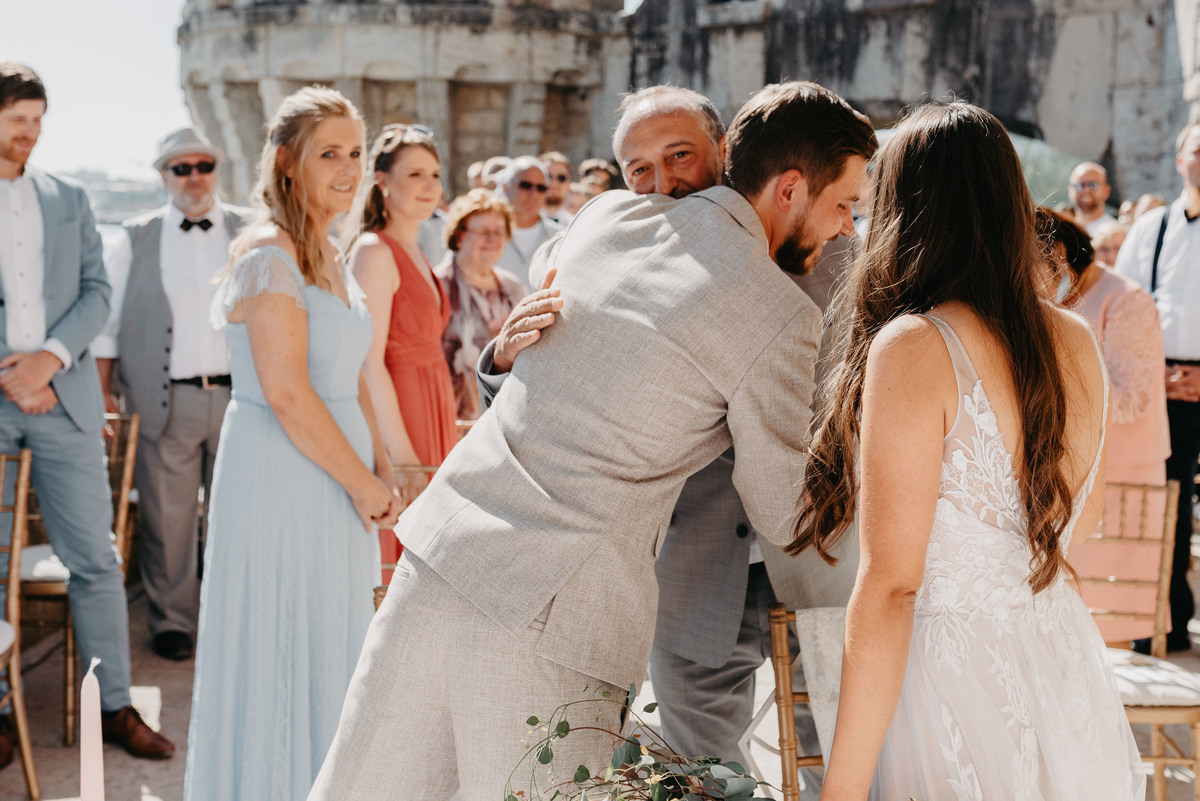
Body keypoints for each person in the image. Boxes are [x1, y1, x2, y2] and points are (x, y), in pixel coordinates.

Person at [308, 80, 875, 801]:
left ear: (726, 151)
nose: (845, 226)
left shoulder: (601, 217)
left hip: (440, 552)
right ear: (790, 189)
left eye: (681, 156)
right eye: (843, 204)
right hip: (555, 609)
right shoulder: (773, 308)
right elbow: (789, 509)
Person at [476, 84, 859, 777]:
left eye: (680, 156)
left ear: (725, 151)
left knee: (835, 761)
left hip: (817, 562)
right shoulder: (605, 250)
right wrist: (502, 362)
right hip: (689, 567)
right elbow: (556, 392)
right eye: (639, 170)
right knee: (701, 773)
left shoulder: (834, 254)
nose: (663, 183)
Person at [797, 101, 1143, 800]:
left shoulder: (914, 345)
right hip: (1059, 672)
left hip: (950, 683)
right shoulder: (1076, 340)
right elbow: (1084, 520)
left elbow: (892, 587)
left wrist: (840, 790)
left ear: (902, 212)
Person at [184, 87, 402, 801]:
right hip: (282, 472)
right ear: (286, 161)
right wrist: (363, 484)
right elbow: (286, 390)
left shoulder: (332, 252)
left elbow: (352, 372)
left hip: (340, 474)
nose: (348, 168)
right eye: (328, 153)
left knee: (331, 638)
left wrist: (382, 463)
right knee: (280, 639)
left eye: (355, 152)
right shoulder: (267, 254)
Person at [0, 61, 174, 765]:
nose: (31, 133)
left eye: (38, 121)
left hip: (62, 401)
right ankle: (0, 712)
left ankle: (115, 706)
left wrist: (48, 360)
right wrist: (15, 375)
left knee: (97, 560)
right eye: (18, 121)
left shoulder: (69, 197)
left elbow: (96, 291)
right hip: (4, 399)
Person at [92, 126, 251, 662]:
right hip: (164, 401)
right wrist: (103, 393)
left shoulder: (250, 231)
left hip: (242, 401)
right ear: (164, 176)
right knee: (167, 521)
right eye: (181, 168)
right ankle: (173, 622)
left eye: (204, 166)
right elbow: (108, 326)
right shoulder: (135, 237)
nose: (194, 177)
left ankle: (232, 619)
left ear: (216, 171)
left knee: (239, 517)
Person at [1037, 207, 1169, 644]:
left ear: (1057, 253)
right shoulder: (1067, 294)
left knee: (1106, 622)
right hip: (1082, 468)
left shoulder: (1127, 300)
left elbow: (1133, 397)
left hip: (1124, 476)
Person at [1116, 121, 1200, 654]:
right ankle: (1163, 621)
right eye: (1199, 149)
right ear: (1179, 160)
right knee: (1166, 503)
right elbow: (1128, 305)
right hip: (1162, 385)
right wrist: (1150, 371)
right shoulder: (1153, 228)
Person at [347, 124, 457, 471]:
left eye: (435, 175)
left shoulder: (415, 251)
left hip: (435, 401)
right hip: (401, 418)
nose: (430, 186)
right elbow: (368, 363)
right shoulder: (374, 251)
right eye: (415, 174)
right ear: (383, 180)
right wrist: (404, 459)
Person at [434, 189, 525, 420]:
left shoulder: (513, 287)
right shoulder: (439, 285)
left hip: (499, 416)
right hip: (451, 416)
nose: (492, 240)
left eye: (499, 232)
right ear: (459, 235)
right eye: (483, 232)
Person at [495, 155, 563, 290]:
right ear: (506, 187)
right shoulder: (483, 234)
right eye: (525, 185)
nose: (534, 193)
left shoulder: (560, 238)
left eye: (541, 188)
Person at [1069, 160, 1116, 233]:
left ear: (1106, 190)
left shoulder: (1116, 232)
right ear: (1070, 190)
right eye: (1079, 185)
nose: (1086, 191)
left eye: (1092, 185)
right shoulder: (1061, 231)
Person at [540, 150, 573, 223]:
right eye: (548, 177)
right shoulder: (517, 222)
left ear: (569, 184)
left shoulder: (576, 225)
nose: (554, 183)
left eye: (561, 178)